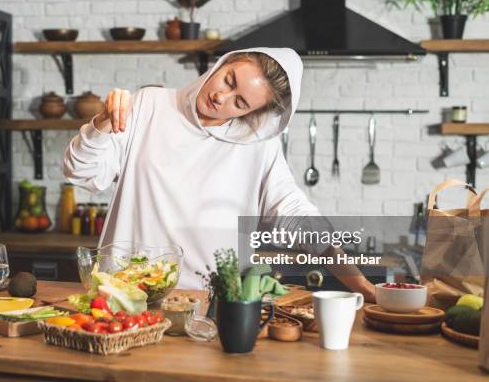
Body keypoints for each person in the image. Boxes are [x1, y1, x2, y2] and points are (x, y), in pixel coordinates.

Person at [64, 48, 376, 302]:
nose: (221, 97)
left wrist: (360, 283)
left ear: (250, 113)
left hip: (206, 303)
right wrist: (102, 123)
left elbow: (298, 217)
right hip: (121, 295)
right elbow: (82, 173)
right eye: (228, 80)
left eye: (239, 102)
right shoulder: (149, 104)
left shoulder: (258, 146)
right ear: (225, 62)